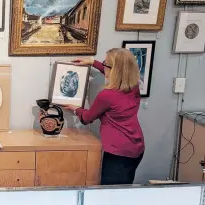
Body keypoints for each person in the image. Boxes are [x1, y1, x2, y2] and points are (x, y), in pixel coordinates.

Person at [62, 49, 145, 185]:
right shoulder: (133, 86)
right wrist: (93, 62)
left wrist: (76, 109)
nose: (103, 65)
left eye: (106, 63)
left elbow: (87, 118)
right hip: (137, 147)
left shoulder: (107, 96)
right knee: (125, 187)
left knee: (111, 194)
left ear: (114, 70)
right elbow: (117, 71)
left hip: (118, 153)